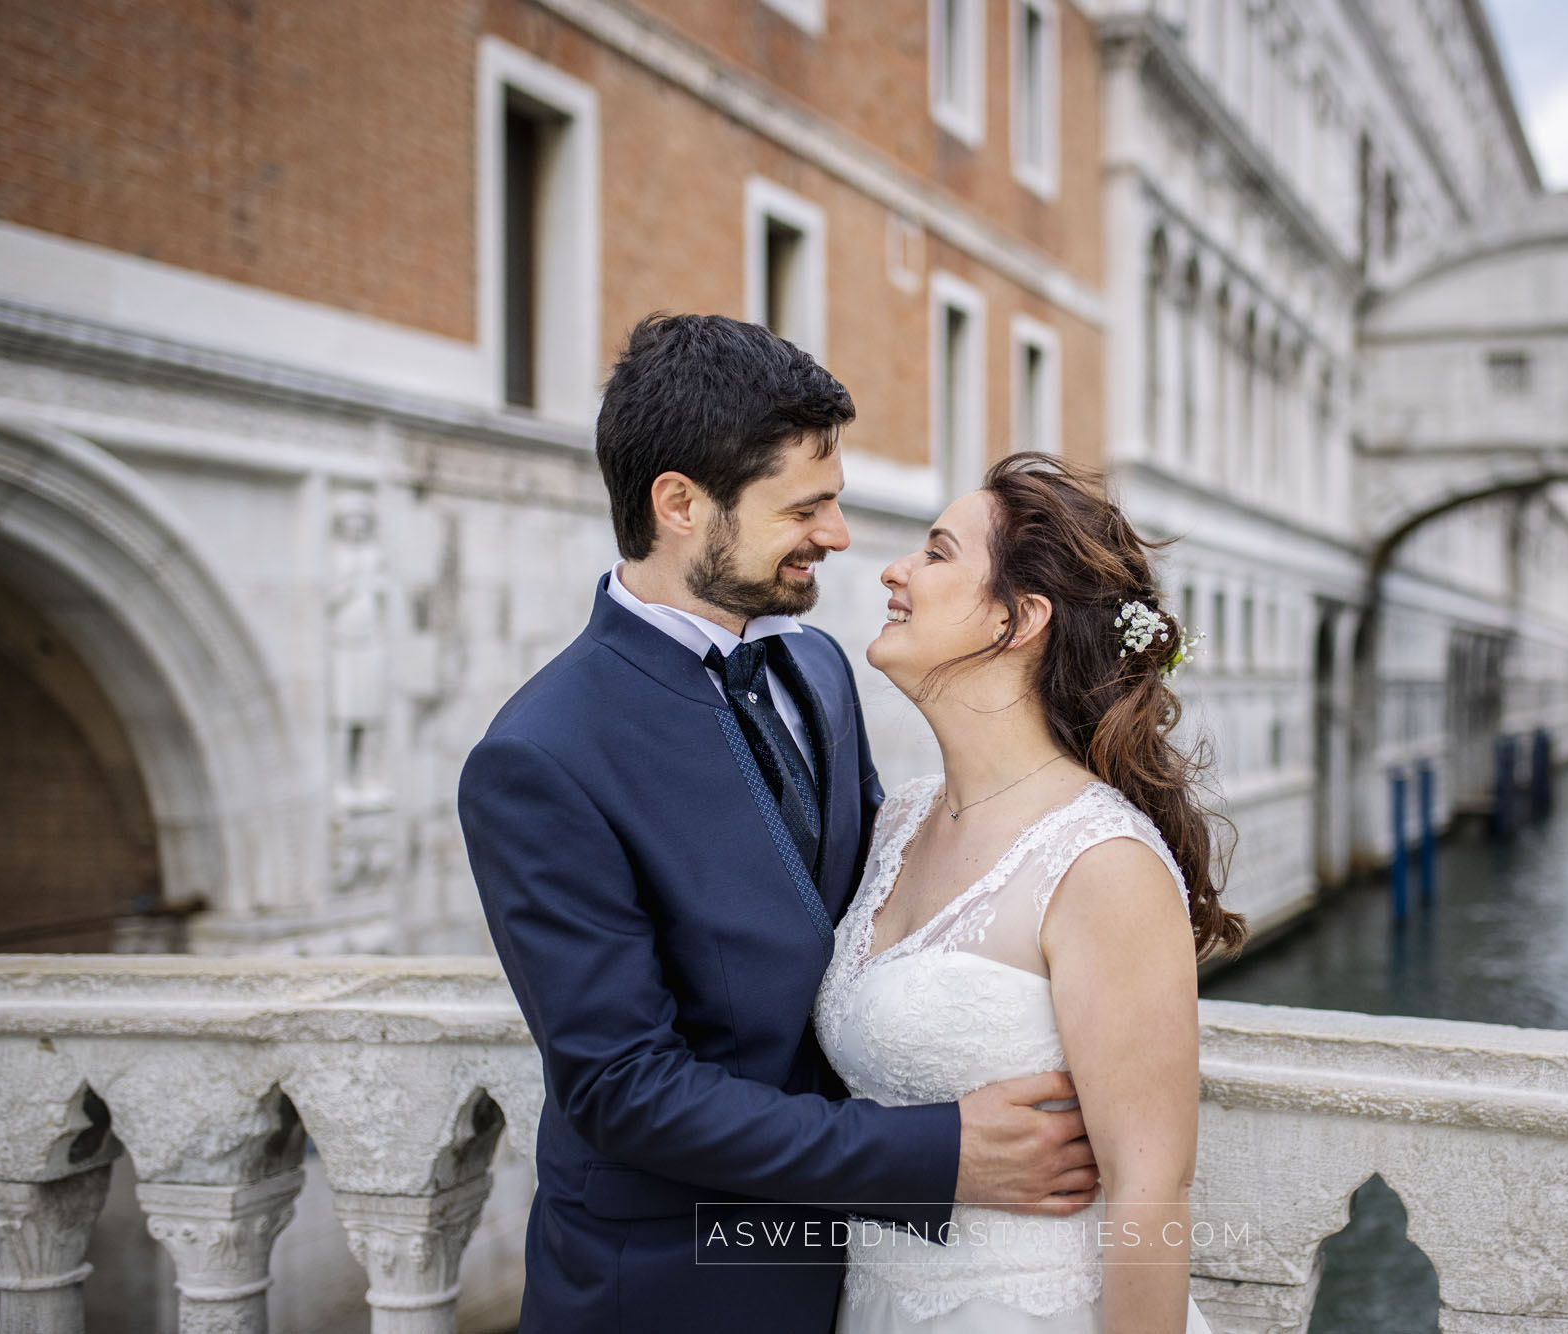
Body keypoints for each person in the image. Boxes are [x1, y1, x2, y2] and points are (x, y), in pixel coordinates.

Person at [459, 315, 1097, 1333]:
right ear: (679, 504)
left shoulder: (819, 666)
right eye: (806, 506)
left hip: (873, 1278)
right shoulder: (539, 756)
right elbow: (623, 1088)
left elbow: (886, 907)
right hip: (669, 1290)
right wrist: (938, 1153)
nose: (837, 536)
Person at [814, 452, 1245, 1333]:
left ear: (1018, 619)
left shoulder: (1102, 862)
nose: (894, 570)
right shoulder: (897, 823)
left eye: (936, 553)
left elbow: (1151, 1189)